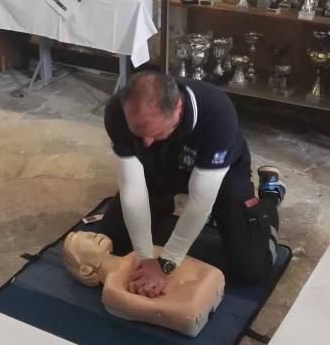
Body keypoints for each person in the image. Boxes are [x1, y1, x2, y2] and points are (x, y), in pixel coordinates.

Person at [100, 71, 285, 297]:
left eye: (154, 132)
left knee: (252, 268)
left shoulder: (217, 111)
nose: (145, 142)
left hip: (221, 173)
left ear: (178, 108)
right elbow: (132, 188)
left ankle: (270, 195)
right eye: (138, 133)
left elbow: (200, 201)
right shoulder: (117, 110)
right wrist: (145, 258)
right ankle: (164, 204)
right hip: (160, 168)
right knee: (114, 240)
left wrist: (166, 264)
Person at [62, 231, 224, 337]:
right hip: (191, 304)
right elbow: (172, 312)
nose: (92, 234)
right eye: (84, 239)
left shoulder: (137, 253)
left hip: (203, 283)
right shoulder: (113, 289)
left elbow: (179, 261)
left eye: (89, 233)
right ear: (85, 270)